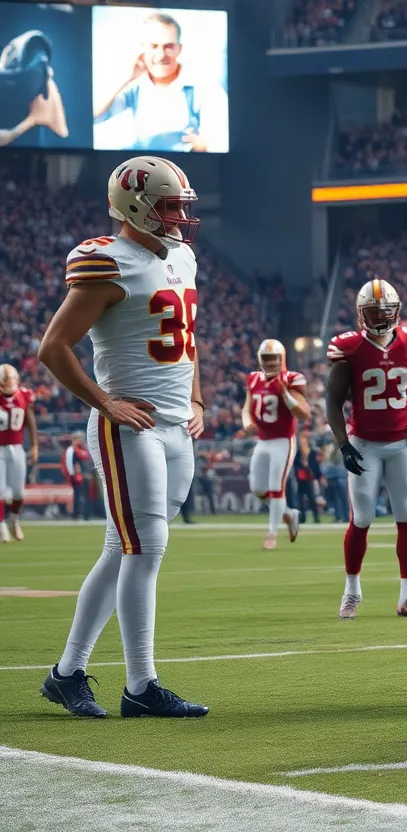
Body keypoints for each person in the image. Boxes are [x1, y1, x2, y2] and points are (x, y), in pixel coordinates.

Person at [38, 155, 208, 718]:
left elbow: (187, 340)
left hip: (176, 425)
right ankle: (141, 684)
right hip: (129, 427)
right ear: (136, 206)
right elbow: (53, 348)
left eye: (180, 205)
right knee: (146, 547)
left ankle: (67, 673)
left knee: (123, 549)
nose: (179, 216)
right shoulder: (107, 261)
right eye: (169, 206)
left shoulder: (182, 257)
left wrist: (198, 399)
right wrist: (105, 401)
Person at [326, 278, 407, 620]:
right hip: (365, 445)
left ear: (397, 311)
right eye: (374, 312)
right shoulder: (349, 348)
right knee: (361, 519)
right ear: (361, 314)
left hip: (403, 443)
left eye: (386, 311)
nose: (381, 317)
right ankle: (351, 591)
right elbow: (332, 402)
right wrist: (343, 444)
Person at [93, 12, 229, 153]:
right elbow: (93, 117)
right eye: (153, 46)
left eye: (169, 46)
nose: (161, 55)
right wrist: (125, 78)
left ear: (179, 49)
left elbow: (224, 138)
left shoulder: (202, 85)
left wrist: (206, 146)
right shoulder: (135, 86)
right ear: (143, 49)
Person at [242, 338, 307, 549]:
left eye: (274, 358)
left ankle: (271, 534)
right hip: (262, 440)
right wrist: (247, 422)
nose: (270, 362)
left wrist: (285, 393)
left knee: (277, 487)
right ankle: (288, 514)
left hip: (283, 440)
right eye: (267, 358)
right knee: (258, 489)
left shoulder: (292, 379)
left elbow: (304, 413)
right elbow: (247, 406)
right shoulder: (253, 378)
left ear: (282, 358)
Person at [0, 364, 36, 542]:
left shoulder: (24, 395)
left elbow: (30, 421)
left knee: (18, 493)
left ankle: (14, 520)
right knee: (0, 490)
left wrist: (35, 445)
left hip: (17, 447)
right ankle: (1, 526)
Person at [63, 433, 91, 522]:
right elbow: (69, 463)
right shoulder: (71, 449)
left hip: (86, 475)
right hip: (77, 476)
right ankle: (76, 513)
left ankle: (86, 514)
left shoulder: (84, 449)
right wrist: (72, 475)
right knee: (77, 495)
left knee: (86, 496)